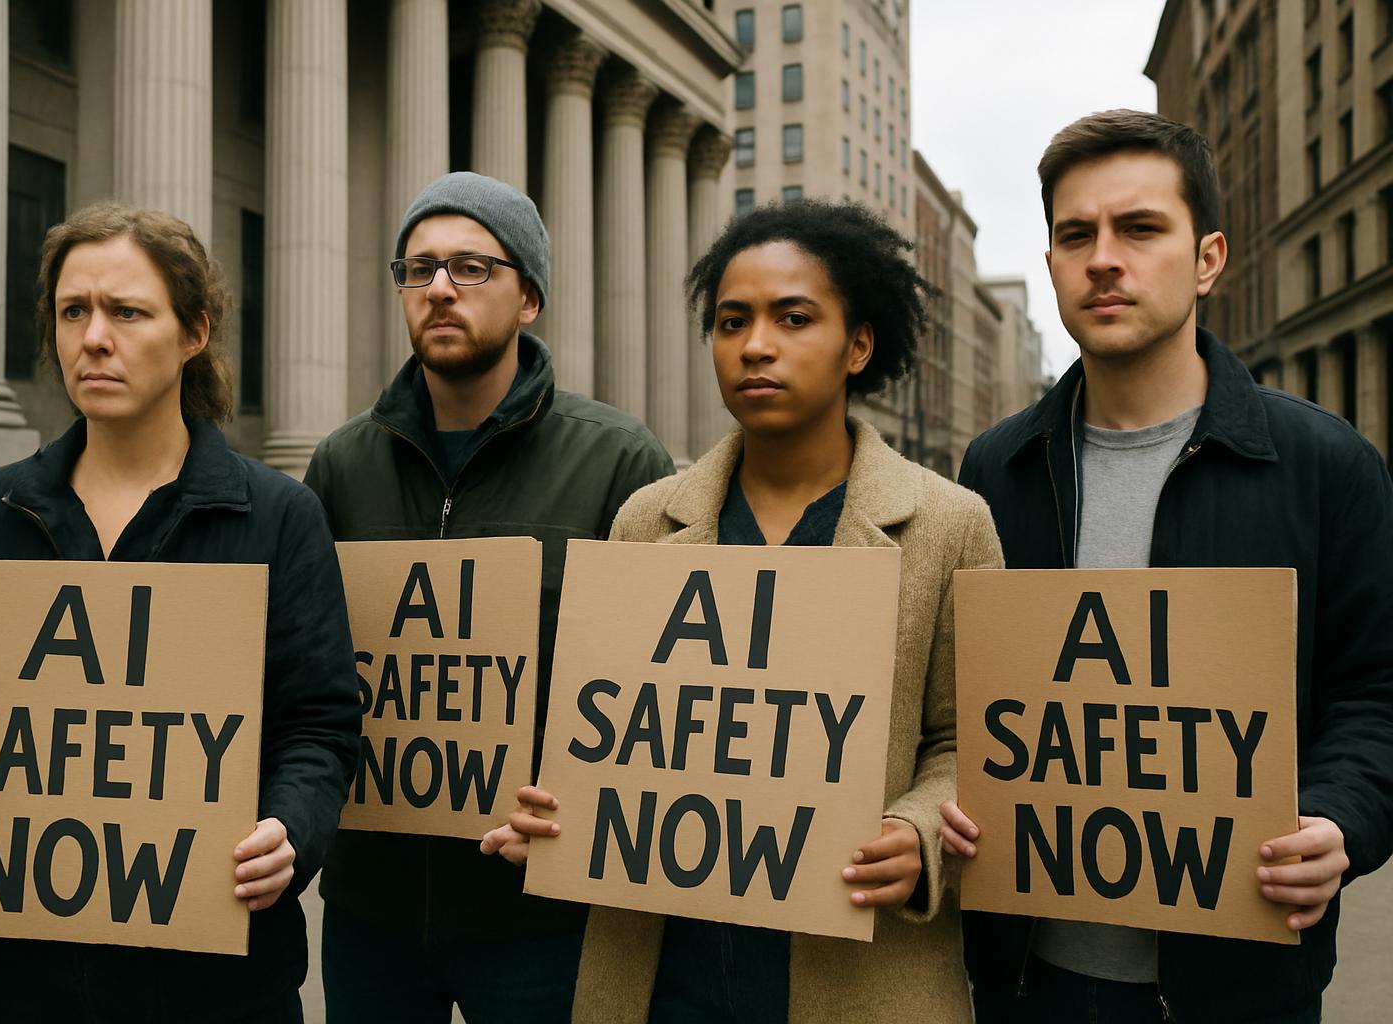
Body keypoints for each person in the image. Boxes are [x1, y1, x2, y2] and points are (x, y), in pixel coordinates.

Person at [480, 198, 1004, 1023]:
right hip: (663, 983)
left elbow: (974, 740)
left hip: (859, 981)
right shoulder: (645, 520)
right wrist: (561, 806)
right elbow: (618, 728)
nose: (755, 345)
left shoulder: (950, 524)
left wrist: (916, 835)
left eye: (793, 318)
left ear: (858, 344)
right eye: (731, 322)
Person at [942, 110, 1393, 1022]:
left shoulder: (1324, 466)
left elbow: (1376, 697)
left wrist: (1339, 820)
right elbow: (960, 706)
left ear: (1207, 259)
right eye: (1077, 235)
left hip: (1237, 987)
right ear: (1055, 266)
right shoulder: (995, 470)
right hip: (1028, 985)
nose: (1103, 258)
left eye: (1140, 229)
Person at [0, 202, 361, 1023]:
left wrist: (289, 830)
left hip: (209, 987)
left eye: (127, 312)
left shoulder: (276, 516)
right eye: (73, 311)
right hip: (7, 985)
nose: (94, 337)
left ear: (193, 332)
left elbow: (321, 724)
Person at [303, 171, 674, 1023]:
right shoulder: (340, 465)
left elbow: (664, 693)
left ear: (529, 298)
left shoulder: (621, 462)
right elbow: (304, 673)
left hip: (543, 915)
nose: (438, 288)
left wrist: (580, 806)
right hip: (372, 913)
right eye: (418, 268)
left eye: (472, 267)